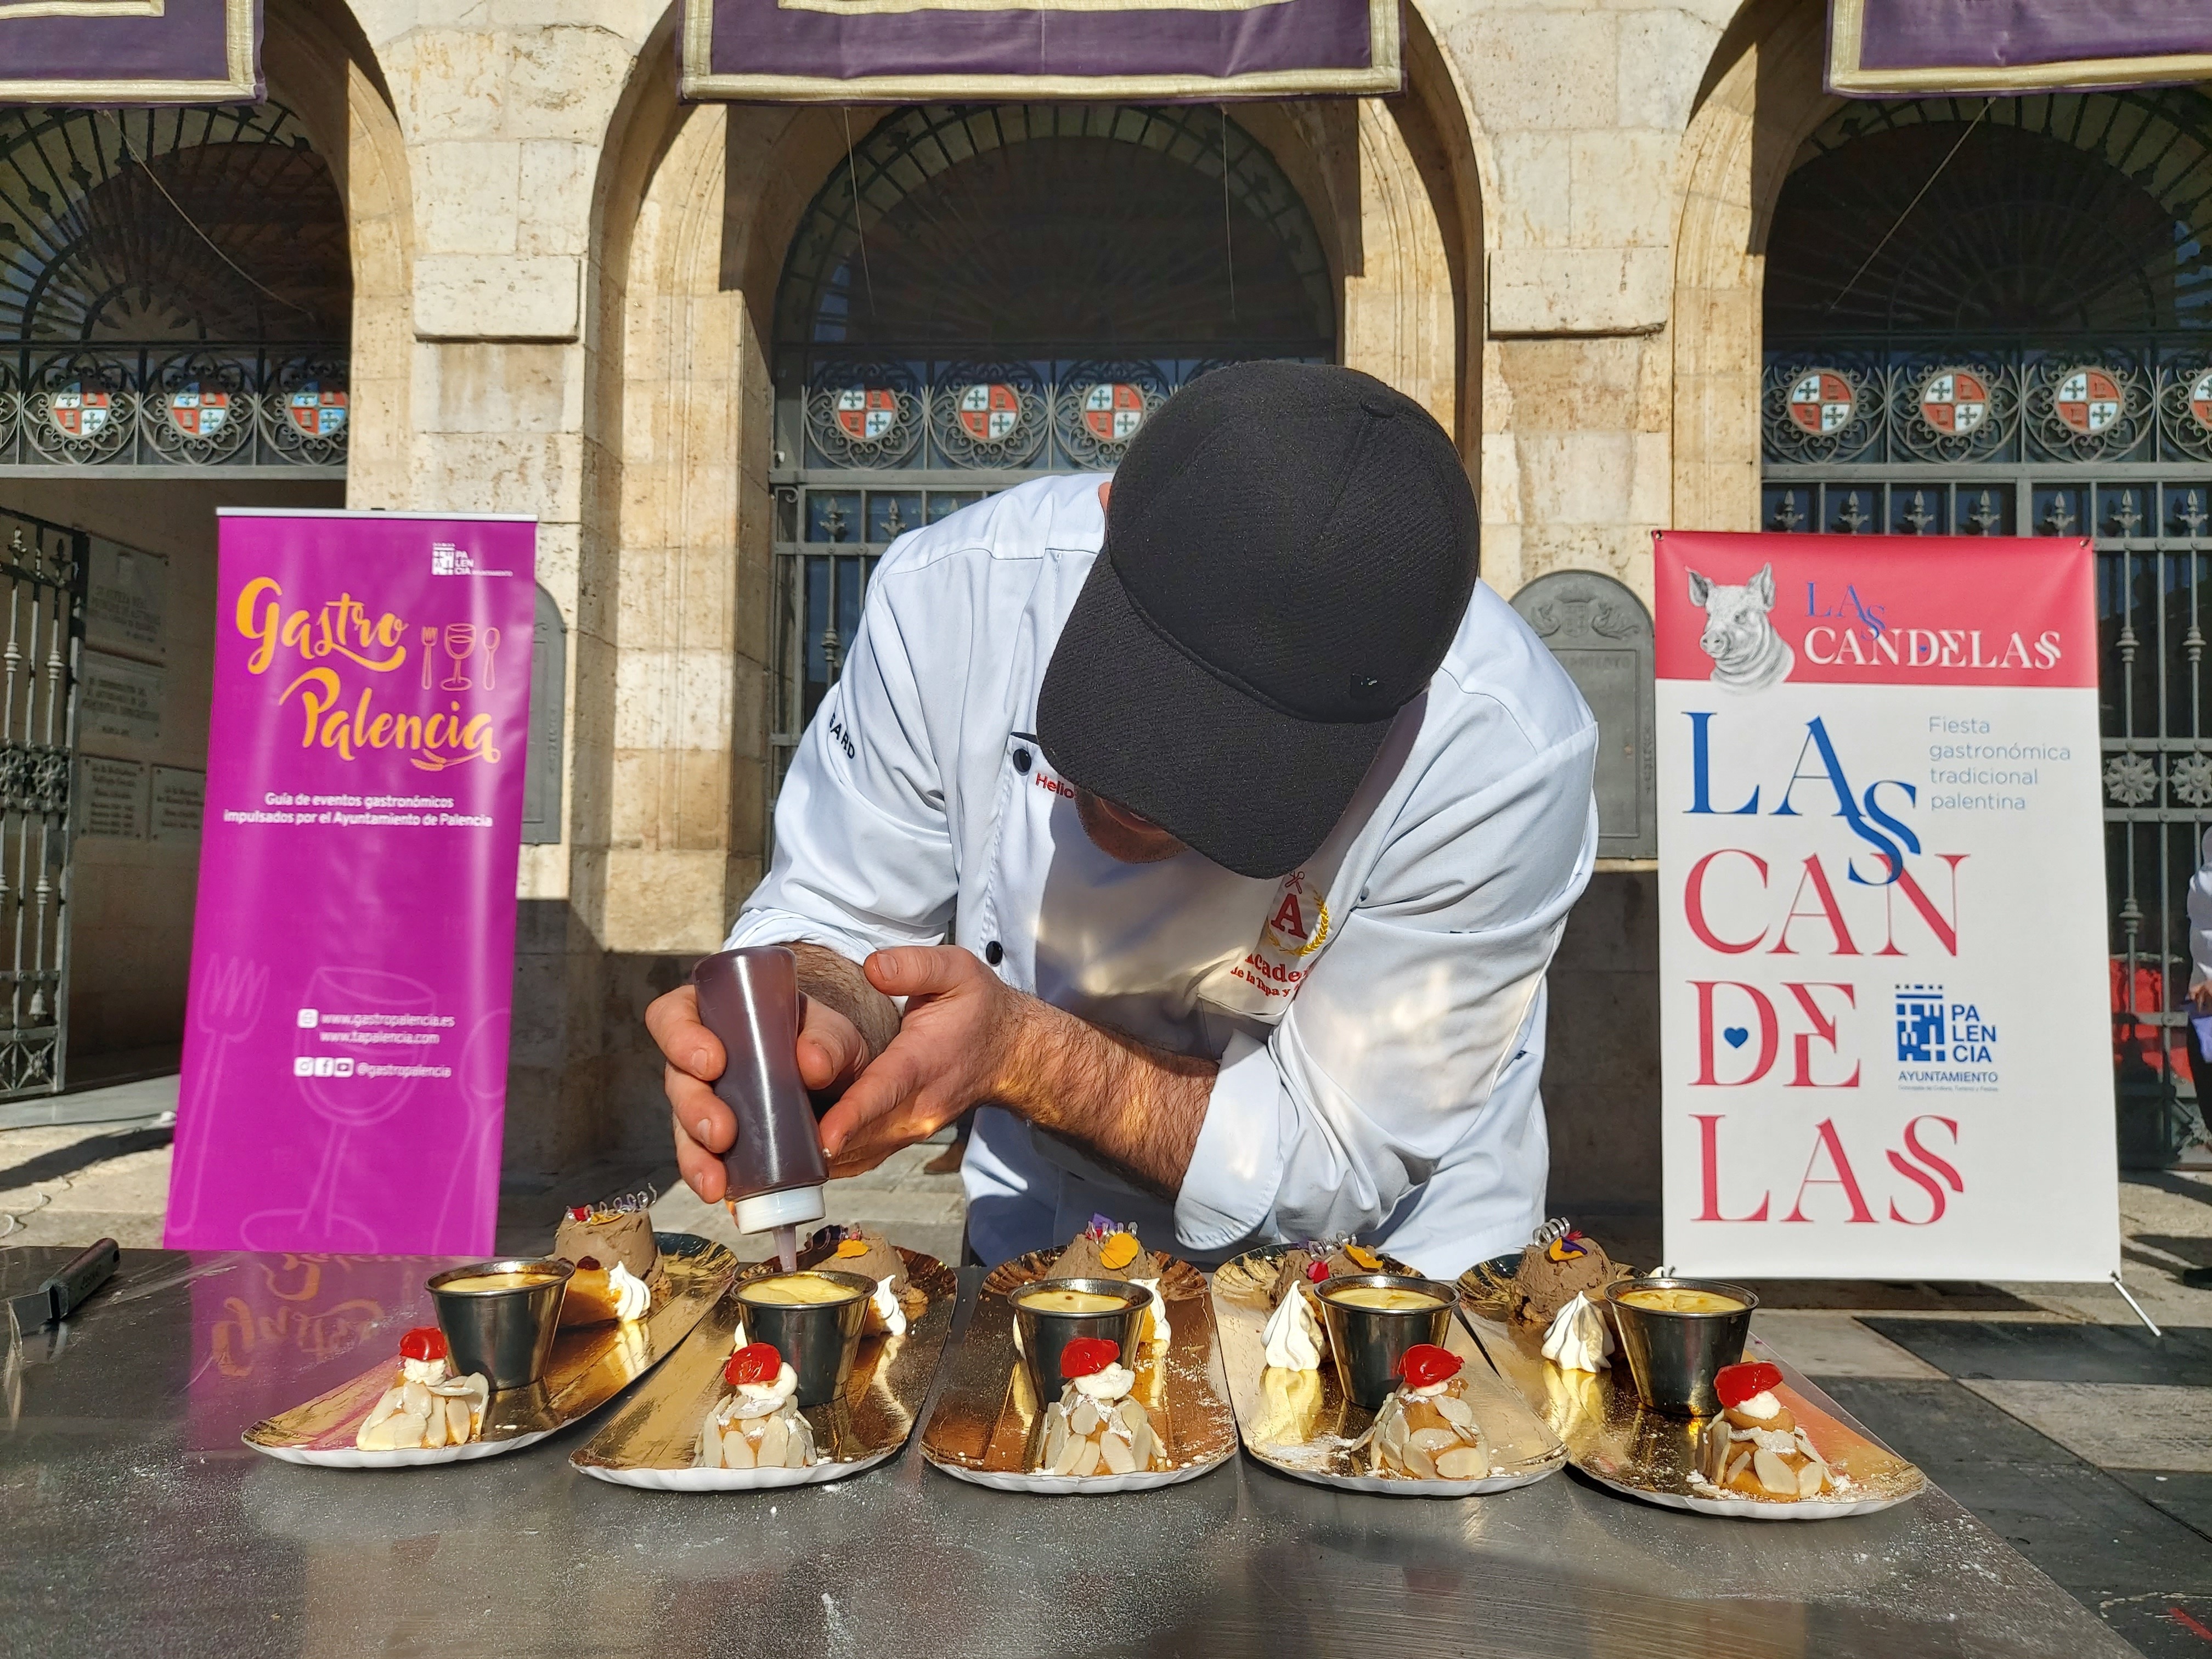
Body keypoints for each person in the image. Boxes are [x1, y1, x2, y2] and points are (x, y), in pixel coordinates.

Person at [648, 362, 1598, 1277]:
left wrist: (1023, 1055)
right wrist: (814, 1011)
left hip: (1382, 1279)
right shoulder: (956, 602)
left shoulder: (1501, 752)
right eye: (1138, 700)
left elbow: (1327, 1155)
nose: (1146, 798)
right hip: (1036, 1235)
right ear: (1110, 516)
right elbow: (840, 913)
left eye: (1234, 761)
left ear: (1401, 707)